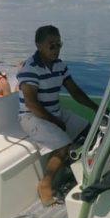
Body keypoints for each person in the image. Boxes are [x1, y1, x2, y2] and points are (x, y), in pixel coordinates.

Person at [18, 25, 98, 206]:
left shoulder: (60, 66)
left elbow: (75, 92)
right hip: (31, 117)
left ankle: (72, 168)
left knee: (90, 131)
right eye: (51, 45)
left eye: (58, 44)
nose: (56, 49)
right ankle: (45, 184)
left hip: (54, 111)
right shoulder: (30, 69)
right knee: (63, 146)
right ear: (38, 45)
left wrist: (97, 108)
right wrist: (55, 121)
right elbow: (31, 104)